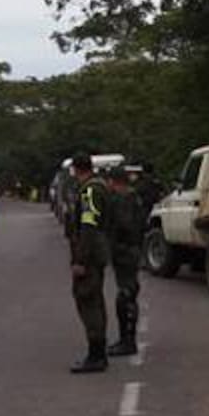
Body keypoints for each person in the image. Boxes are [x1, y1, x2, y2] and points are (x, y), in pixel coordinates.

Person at [67, 153, 110, 373]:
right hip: (98, 251)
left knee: (87, 300)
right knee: (95, 299)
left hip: (90, 254)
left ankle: (96, 354)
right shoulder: (100, 186)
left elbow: (88, 226)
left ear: (76, 169)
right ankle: (98, 352)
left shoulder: (90, 190)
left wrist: (80, 259)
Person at [106, 165, 144, 357]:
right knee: (128, 293)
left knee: (126, 296)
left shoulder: (123, 199)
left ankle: (127, 341)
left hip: (125, 251)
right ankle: (126, 339)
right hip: (131, 249)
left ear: (114, 182)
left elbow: (124, 224)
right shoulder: (134, 197)